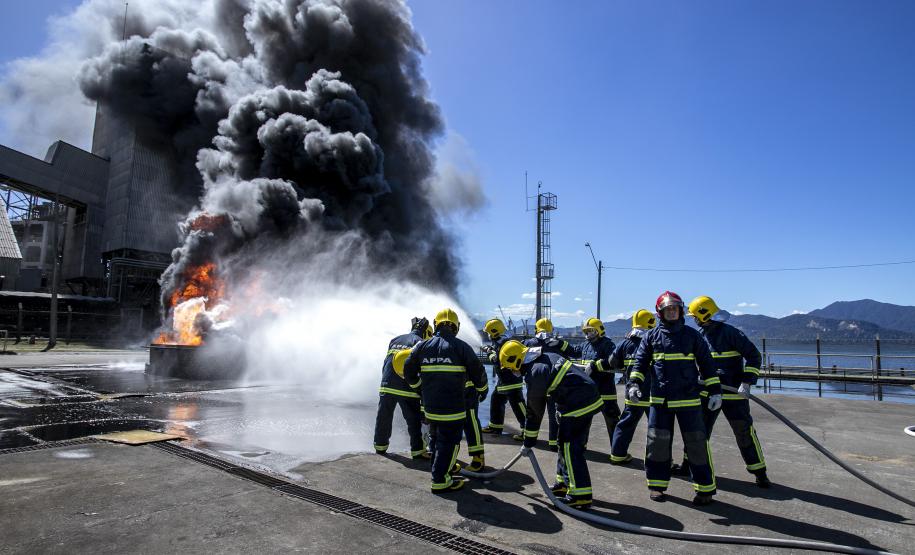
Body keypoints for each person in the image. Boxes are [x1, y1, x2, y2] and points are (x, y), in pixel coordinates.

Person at [628, 291, 721, 505]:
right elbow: (640, 363)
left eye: (675, 308)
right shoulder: (650, 337)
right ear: (660, 313)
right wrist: (633, 384)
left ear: (681, 311)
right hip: (660, 401)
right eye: (667, 309)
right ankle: (657, 486)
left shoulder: (693, 335)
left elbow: (707, 364)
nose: (671, 312)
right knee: (657, 444)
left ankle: (705, 489)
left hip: (689, 400)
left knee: (697, 445)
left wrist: (715, 390)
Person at [501, 339, 603, 510]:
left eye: (511, 368)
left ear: (516, 360)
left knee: (571, 448)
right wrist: (559, 409)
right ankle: (563, 483)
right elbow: (560, 384)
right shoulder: (544, 358)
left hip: (579, 403)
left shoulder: (535, 371)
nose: (513, 372)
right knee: (562, 443)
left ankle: (580, 496)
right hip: (578, 400)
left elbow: (534, 410)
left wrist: (528, 441)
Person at [683, 295, 770, 488]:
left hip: (733, 393)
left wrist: (747, 382)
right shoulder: (700, 336)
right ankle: (687, 465)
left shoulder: (731, 333)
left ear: (704, 315)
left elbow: (754, 357)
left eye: (695, 316)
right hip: (707, 393)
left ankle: (760, 472)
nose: (694, 319)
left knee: (744, 431)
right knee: (698, 432)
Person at [403, 308, 487, 494]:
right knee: (449, 443)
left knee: (435, 440)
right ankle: (441, 480)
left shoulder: (422, 347)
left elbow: (407, 369)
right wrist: (483, 390)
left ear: (436, 325)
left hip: (431, 408)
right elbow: (478, 370)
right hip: (453, 409)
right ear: (456, 327)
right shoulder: (461, 347)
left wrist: (419, 388)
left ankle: (439, 471)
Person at [373, 317, 431, 459]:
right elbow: (422, 370)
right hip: (408, 388)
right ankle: (417, 451)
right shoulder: (421, 343)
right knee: (413, 421)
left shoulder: (395, 339)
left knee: (384, 417)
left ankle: (380, 447)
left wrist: (385, 381)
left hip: (387, 385)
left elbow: (386, 363)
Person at [608, 309, 656, 465]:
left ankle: (617, 455)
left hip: (633, 391)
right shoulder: (655, 341)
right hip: (654, 393)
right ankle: (657, 460)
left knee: (626, 424)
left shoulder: (625, 343)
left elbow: (612, 362)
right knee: (657, 427)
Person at [569, 318, 619, 453]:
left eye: (591, 331)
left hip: (606, 390)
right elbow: (573, 351)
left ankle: (617, 452)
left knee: (612, 421)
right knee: (583, 420)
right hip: (588, 390)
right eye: (586, 332)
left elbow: (613, 360)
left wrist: (595, 365)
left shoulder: (607, 344)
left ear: (599, 330)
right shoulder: (585, 345)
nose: (588, 334)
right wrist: (558, 344)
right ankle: (581, 447)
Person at [524, 318, 573, 451]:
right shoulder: (556, 343)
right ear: (551, 329)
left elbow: (521, 360)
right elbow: (574, 353)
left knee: (533, 413)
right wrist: (561, 343)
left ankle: (529, 441)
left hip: (534, 384)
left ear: (536, 329)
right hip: (555, 384)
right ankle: (553, 443)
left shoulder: (529, 343)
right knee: (554, 414)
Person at [480, 319, 526, 440]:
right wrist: (490, 349)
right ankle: (495, 426)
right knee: (496, 399)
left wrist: (489, 352)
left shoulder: (502, 342)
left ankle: (528, 430)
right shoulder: (501, 340)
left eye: (488, 332)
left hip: (510, 380)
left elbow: (496, 359)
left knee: (517, 405)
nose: (487, 335)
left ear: (494, 332)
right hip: (504, 380)